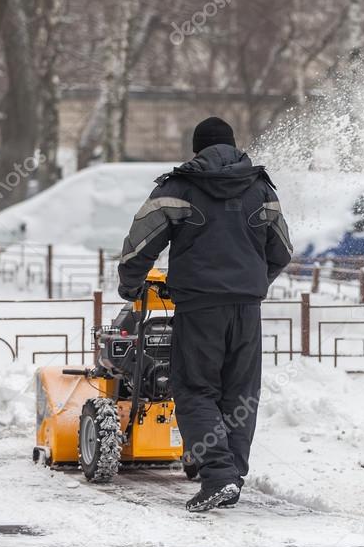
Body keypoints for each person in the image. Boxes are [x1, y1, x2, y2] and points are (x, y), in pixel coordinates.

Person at [117, 116, 293, 512]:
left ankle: (218, 475)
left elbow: (139, 242)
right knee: (240, 393)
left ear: (197, 149)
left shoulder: (179, 187)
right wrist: (254, 282)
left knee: (196, 389)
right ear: (232, 145)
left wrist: (130, 284)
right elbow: (281, 249)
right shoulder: (260, 187)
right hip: (247, 307)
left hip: (199, 306)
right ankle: (231, 475)